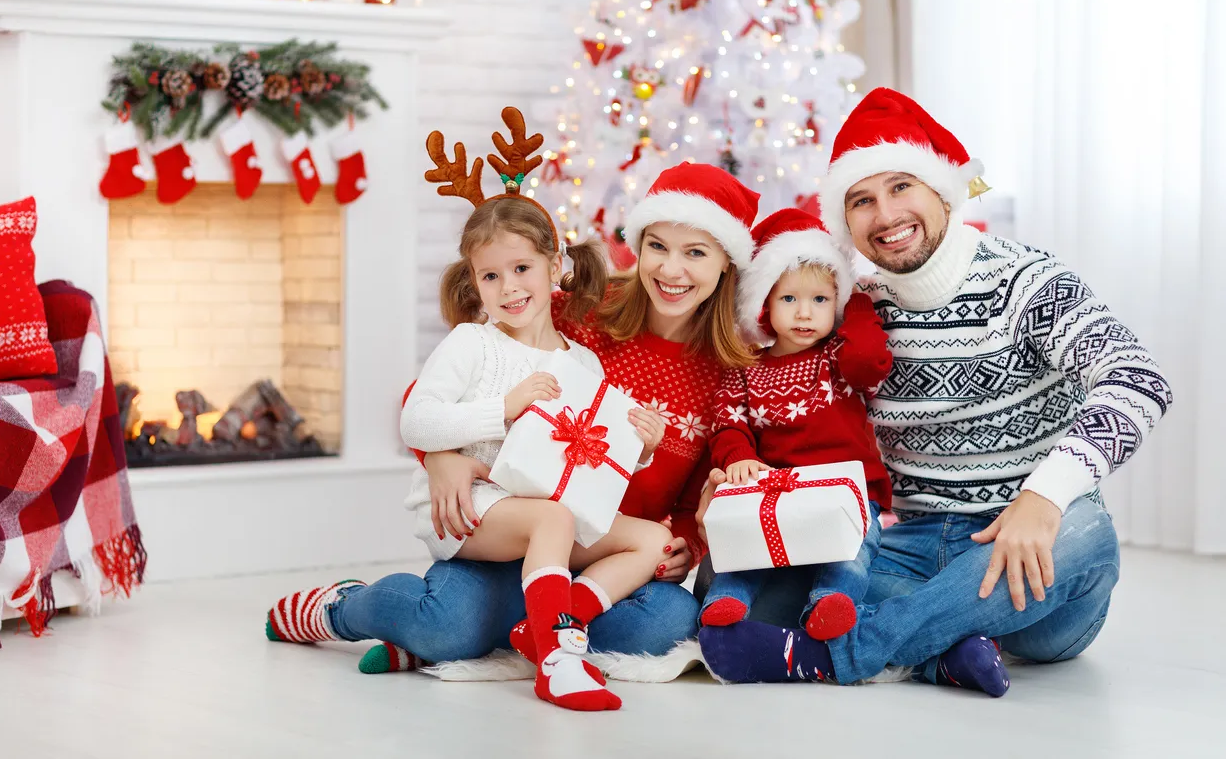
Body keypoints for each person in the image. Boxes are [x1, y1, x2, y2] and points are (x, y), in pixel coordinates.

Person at [697, 88, 1172, 698]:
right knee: (728, 573)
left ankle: (836, 656)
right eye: (861, 201)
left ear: (941, 189)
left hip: (1026, 556)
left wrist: (1043, 498)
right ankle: (938, 650)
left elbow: (1138, 379)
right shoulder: (849, 309)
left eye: (901, 187)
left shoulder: (1028, 282)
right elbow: (790, 406)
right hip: (908, 550)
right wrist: (739, 469)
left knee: (1086, 534)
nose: (885, 215)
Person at [268, 151, 762, 681]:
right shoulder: (586, 312)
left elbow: (690, 500)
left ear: (726, 264)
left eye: (696, 253)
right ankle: (367, 611)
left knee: (667, 622)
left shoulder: (729, 375)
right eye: (657, 247)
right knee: (445, 624)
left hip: (604, 558)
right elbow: (451, 386)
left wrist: (683, 543)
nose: (671, 269)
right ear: (637, 247)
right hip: (515, 520)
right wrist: (439, 457)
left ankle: (501, 632)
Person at [698, 207, 892, 642]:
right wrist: (740, 457)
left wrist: (857, 306)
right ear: (764, 304)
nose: (805, 314)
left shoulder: (837, 359)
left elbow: (870, 361)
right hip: (778, 492)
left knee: (853, 554)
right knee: (746, 549)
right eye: (790, 299)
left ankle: (829, 605)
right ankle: (725, 604)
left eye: (820, 300)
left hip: (848, 492)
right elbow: (727, 423)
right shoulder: (747, 369)